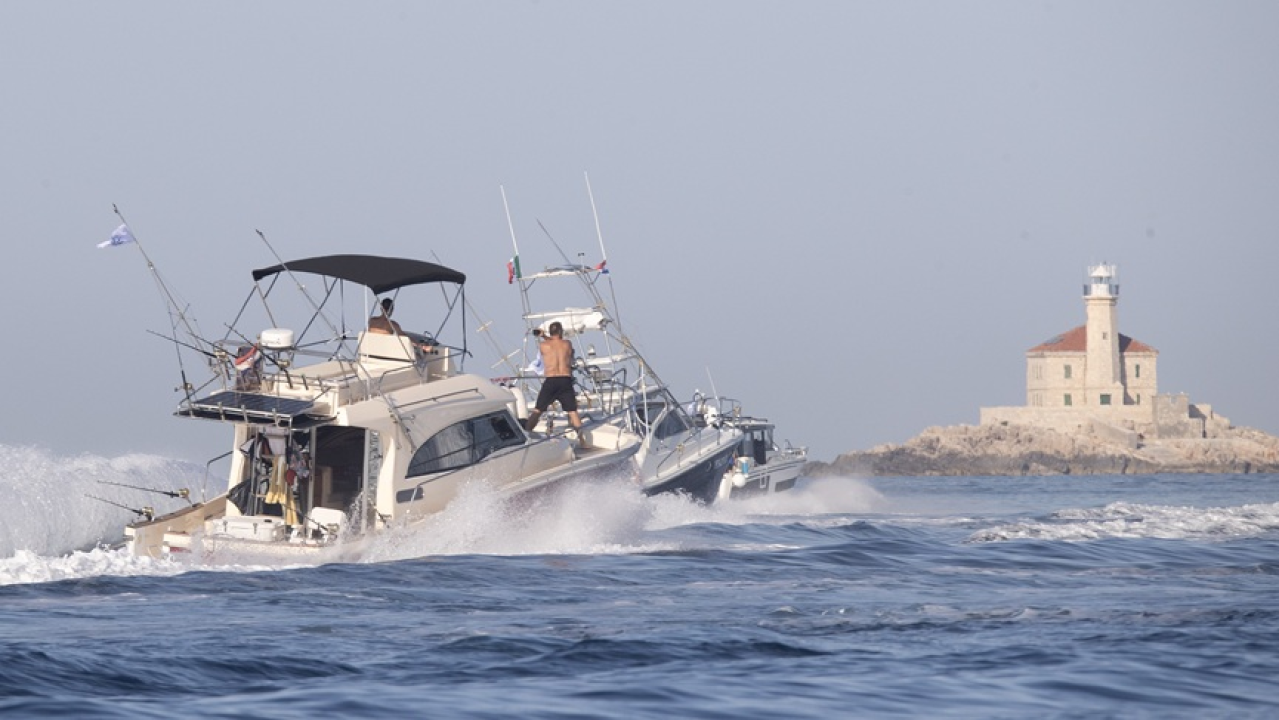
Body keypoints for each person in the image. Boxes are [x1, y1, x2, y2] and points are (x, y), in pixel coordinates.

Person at [524, 321, 584, 445]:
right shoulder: (567, 344)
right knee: (572, 411)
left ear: (550, 332)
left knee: (538, 410)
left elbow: (551, 345)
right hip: (565, 380)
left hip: (551, 380)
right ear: (561, 331)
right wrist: (546, 336)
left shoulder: (543, 345)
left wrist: (543, 336)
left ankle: (525, 437)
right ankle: (583, 441)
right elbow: (561, 346)